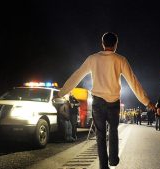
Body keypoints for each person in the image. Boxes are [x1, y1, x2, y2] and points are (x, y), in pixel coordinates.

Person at [58, 32, 155, 169]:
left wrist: (61, 92)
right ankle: (113, 159)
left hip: (97, 102)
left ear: (102, 44)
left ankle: (103, 166)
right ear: (116, 45)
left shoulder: (93, 58)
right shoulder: (121, 59)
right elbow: (133, 81)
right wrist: (146, 101)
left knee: (100, 135)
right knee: (113, 131)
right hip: (114, 102)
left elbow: (77, 75)